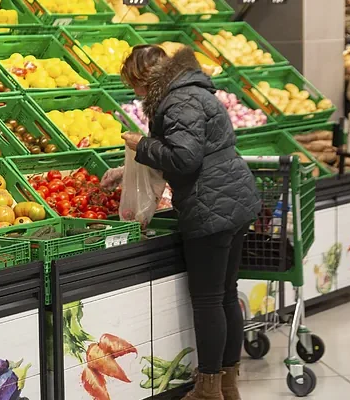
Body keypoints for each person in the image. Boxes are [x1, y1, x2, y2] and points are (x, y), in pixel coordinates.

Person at [107, 44, 261, 400]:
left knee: (208, 299)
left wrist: (140, 144)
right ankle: (227, 384)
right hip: (233, 199)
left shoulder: (179, 102)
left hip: (211, 205)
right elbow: (193, 149)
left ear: (147, 78)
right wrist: (128, 168)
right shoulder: (192, 91)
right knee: (225, 294)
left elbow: (185, 158)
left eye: (135, 84)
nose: (135, 93)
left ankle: (208, 388)